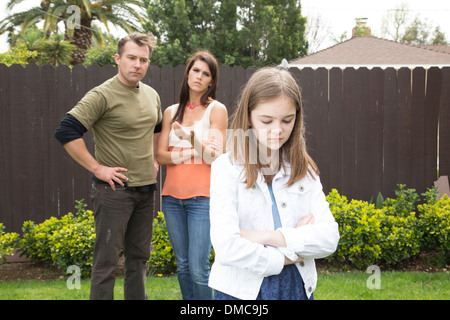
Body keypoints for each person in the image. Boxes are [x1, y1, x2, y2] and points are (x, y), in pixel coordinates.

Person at [209, 67, 340, 300]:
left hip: (297, 286)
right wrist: (291, 255)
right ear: (248, 116)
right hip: (240, 292)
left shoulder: (304, 168)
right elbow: (227, 247)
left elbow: (329, 238)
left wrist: (266, 237)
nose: (277, 131)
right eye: (266, 120)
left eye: (287, 120)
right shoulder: (225, 168)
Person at [54, 32, 161, 300]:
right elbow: (66, 131)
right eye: (132, 58)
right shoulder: (102, 94)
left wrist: (155, 157)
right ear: (118, 59)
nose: (137, 64)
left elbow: (156, 127)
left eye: (143, 60)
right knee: (106, 262)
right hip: (114, 192)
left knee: (139, 258)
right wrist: (97, 168)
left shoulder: (151, 95)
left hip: (146, 190)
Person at [156, 50, 228, 300]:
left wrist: (190, 138)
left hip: (202, 199)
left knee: (199, 269)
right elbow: (161, 156)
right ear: (187, 74)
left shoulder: (217, 110)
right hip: (172, 199)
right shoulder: (171, 112)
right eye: (195, 70)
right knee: (183, 265)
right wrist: (191, 150)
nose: (199, 76)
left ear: (212, 81)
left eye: (206, 73)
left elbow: (214, 157)